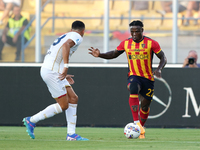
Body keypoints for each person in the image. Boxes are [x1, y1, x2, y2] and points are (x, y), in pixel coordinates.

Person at [88, 20, 167, 139]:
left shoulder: (151, 43)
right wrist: (100, 55)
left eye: (137, 31)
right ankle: (136, 123)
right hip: (133, 75)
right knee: (133, 87)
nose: (134, 34)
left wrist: (159, 69)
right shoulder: (125, 43)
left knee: (145, 106)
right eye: (132, 32)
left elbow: (163, 57)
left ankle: (141, 128)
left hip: (148, 78)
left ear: (142, 31)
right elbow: (114, 54)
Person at [22, 20, 89, 141]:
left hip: (53, 70)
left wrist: (63, 72)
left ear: (71, 28)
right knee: (63, 105)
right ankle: (31, 120)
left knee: (73, 98)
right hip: (52, 72)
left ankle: (71, 134)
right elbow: (65, 46)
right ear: (83, 31)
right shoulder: (77, 36)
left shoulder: (66, 35)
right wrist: (65, 67)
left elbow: (56, 54)